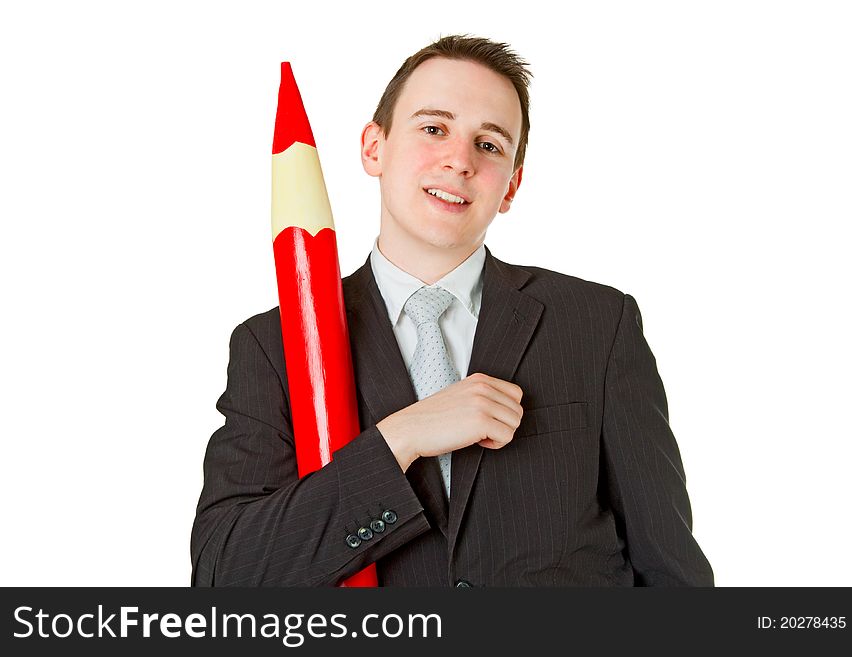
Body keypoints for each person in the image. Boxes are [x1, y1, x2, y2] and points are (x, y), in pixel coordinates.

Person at [190, 34, 714, 587]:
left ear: (510, 185)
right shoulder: (271, 346)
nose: (459, 161)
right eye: (434, 128)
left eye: (489, 145)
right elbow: (225, 574)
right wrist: (400, 440)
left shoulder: (598, 325)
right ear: (374, 147)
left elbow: (671, 570)